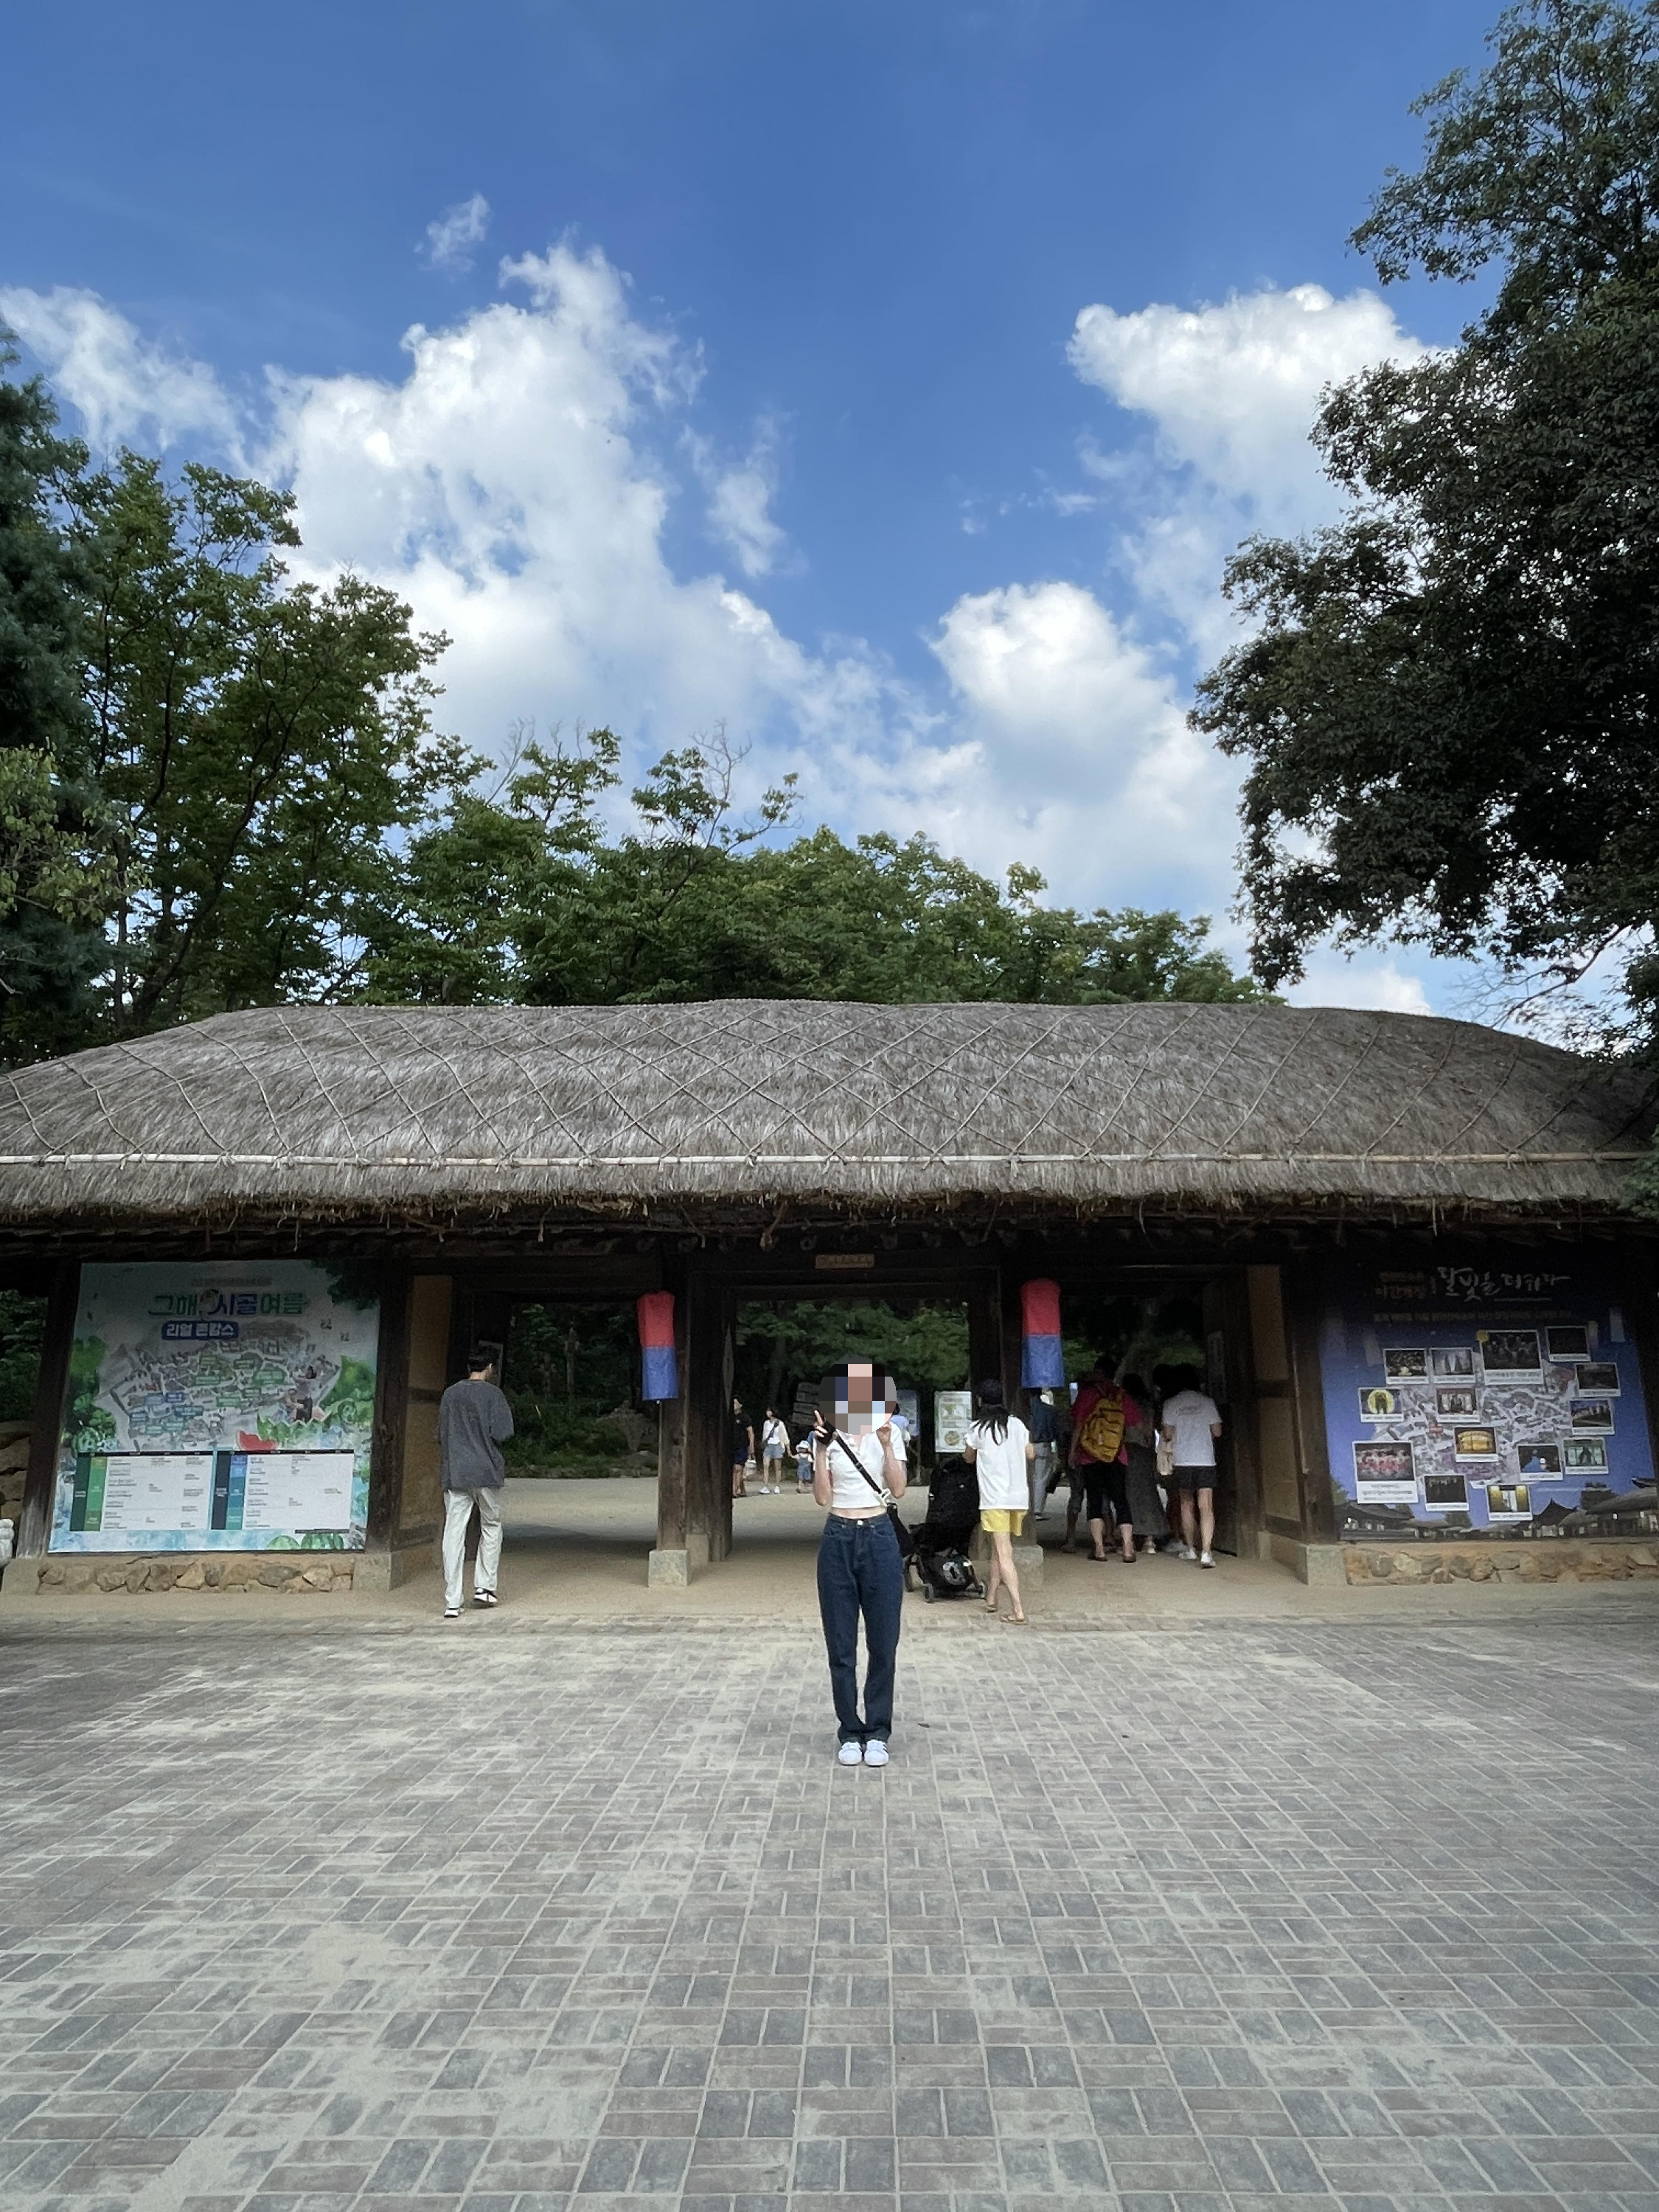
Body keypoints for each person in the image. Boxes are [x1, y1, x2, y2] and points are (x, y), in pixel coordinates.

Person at [814, 1361, 908, 1767]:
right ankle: (850, 1730)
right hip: (838, 1536)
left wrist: (887, 1446)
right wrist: (819, 1451)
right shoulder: (828, 1438)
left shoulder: (891, 1432)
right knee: (840, 1644)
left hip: (880, 1535)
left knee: (883, 1642)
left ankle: (879, 1731)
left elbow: (899, 1489)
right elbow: (822, 1498)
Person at [438, 1348, 515, 1619]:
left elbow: (441, 1434)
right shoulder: (494, 1395)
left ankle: (452, 1599)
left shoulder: (450, 1394)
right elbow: (504, 1432)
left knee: (453, 1533)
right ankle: (484, 1587)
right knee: (491, 1525)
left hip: (456, 1471)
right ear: (490, 1368)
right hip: (485, 1470)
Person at [962, 1378, 1034, 1624]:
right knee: (998, 1548)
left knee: (1004, 1553)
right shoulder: (1016, 1425)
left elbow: (968, 1458)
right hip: (1018, 1496)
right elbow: (1031, 1453)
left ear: (980, 1400)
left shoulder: (978, 1428)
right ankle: (992, 1597)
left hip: (995, 1498)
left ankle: (1018, 1609)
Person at [1068, 1358, 1141, 1563]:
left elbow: (1078, 1425)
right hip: (1117, 1455)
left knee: (1094, 1501)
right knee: (1121, 1501)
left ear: (1098, 1372)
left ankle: (1099, 1549)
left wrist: (1073, 1452)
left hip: (1090, 1456)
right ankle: (1128, 1548)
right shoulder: (1121, 1396)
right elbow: (1136, 1424)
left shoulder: (1087, 1395)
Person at [1161, 1365, 1223, 1567]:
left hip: (1183, 1459)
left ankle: (1189, 1549)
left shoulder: (1171, 1404)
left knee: (1186, 1504)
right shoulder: (1207, 1402)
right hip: (1205, 1459)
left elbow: (1168, 1434)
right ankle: (1206, 1552)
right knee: (1206, 1507)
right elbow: (1217, 1432)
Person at [1119, 1371, 1169, 1551]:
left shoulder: (1124, 1403)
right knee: (1149, 1492)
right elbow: (1154, 1428)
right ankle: (1151, 1536)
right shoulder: (1149, 1405)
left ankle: (1134, 1537)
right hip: (1147, 1449)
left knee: (1131, 1494)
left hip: (1130, 1448)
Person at [1028, 1389, 1061, 1518]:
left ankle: (1027, 1506)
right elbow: (1055, 1430)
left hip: (1025, 1444)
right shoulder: (1049, 1410)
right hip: (1042, 1444)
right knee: (1041, 1478)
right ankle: (1037, 1509)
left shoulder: (1021, 1411)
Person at [759, 1407, 790, 1492]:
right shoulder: (766, 1423)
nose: (767, 1413)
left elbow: (785, 1436)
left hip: (778, 1445)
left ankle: (777, 1485)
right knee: (766, 1466)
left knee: (778, 1467)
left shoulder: (780, 1424)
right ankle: (765, 1485)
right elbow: (764, 1435)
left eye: (769, 1411)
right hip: (768, 1445)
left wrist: (788, 1449)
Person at [731, 1397, 755, 1500]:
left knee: (738, 1468)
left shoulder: (745, 1417)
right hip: (732, 1445)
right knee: (734, 1468)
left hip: (742, 1445)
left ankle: (736, 1490)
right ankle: (741, 1488)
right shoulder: (730, 1417)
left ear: (740, 1405)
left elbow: (750, 1432)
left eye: (735, 1403)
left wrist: (751, 1445)